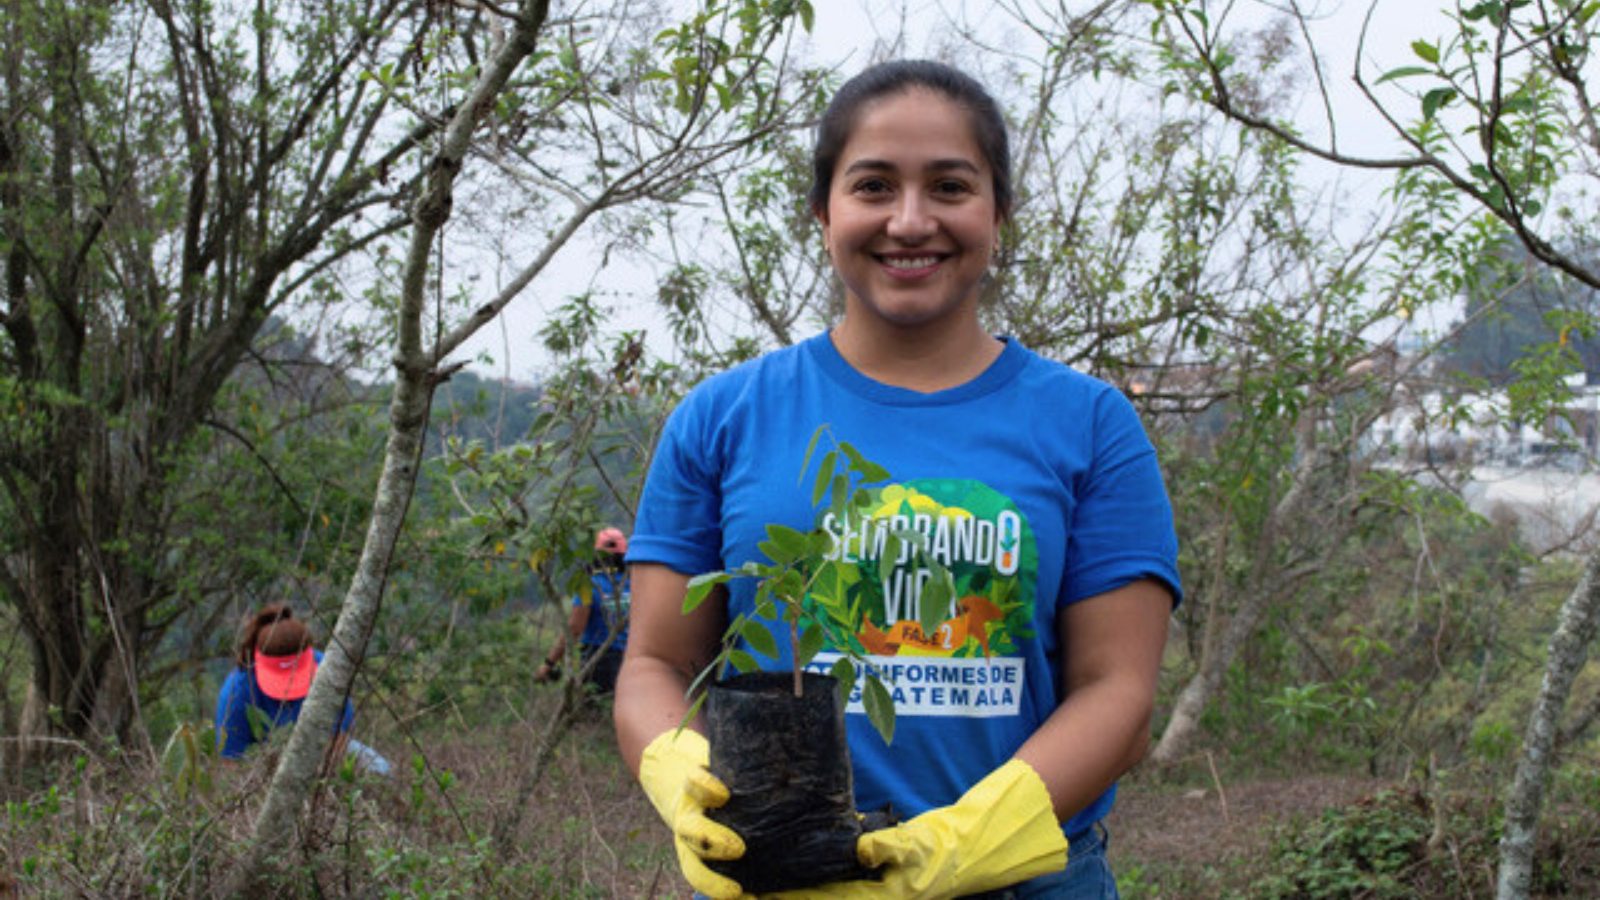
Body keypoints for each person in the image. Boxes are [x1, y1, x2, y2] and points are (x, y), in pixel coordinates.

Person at [614, 59, 1182, 899]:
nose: (910, 222)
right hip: (774, 883)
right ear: (823, 213)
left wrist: (968, 841)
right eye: (873, 186)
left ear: (999, 212)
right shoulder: (723, 416)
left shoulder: (1090, 424)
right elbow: (656, 663)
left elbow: (1118, 691)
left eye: (950, 186)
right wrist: (678, 772)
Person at [214, 604, 390, 775]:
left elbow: (338, 742)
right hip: (261, 764)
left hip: (320, 756)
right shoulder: (236, 693)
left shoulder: (329, 673)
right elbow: (231, 764)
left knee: (380, 768)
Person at [536, 527, 632, 695]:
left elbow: (574, 629)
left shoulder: (589, 585)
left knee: (593, 708)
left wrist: (549, 663)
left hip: (598, 661)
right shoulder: (633, 583)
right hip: (630, 659)